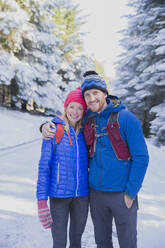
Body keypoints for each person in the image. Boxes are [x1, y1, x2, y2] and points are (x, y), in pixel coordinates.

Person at [41, 71, 149, 248]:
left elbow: (142, 157)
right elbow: (69, 115)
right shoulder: (89, 119)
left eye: (96, 93)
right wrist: (45, 126)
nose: (91, 99)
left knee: (128, 242)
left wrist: (131, 192)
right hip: (96, 196)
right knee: (102, 242)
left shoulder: (126, 118)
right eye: (87, 95)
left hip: (122, 194)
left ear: (105, 93)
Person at [37, 87, 89, 248]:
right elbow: (44, 168)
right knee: (59, 242)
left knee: (76, 240)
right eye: (72, 106)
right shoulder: (53, 130)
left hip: (82, 196)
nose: (75, 111)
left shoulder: (86, 132)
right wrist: (41, 201)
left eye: (80, 108)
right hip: (59, 197)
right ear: (66, 107)